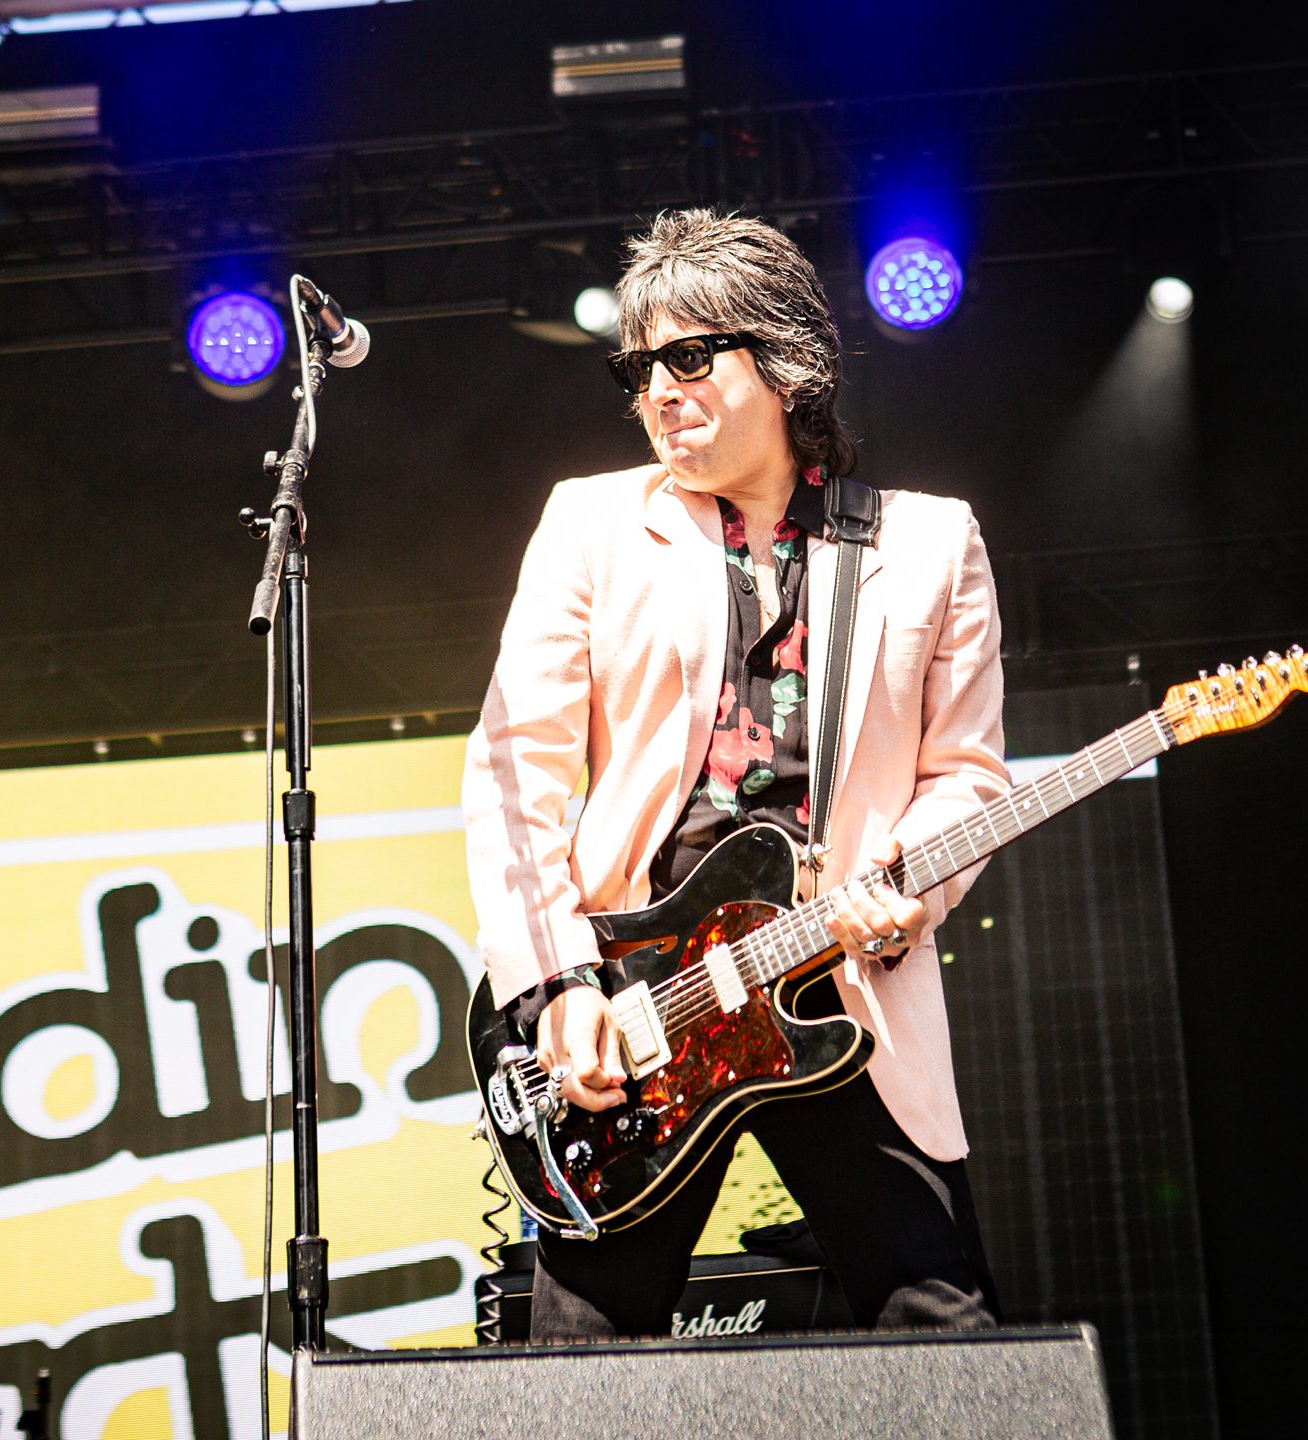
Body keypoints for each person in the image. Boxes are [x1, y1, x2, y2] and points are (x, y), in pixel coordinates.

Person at [463, 208, 1009, 1339]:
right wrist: (560, 988)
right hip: (641, 1001)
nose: (661, 389)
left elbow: (966, 773)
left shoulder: (929, 543)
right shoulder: (591, 525)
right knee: (582, 1356)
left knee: (945, 1326)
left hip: (832, 982)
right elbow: (516, 775)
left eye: (692, 356)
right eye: (640, 367)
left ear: (786, 358)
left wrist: (907, 892)